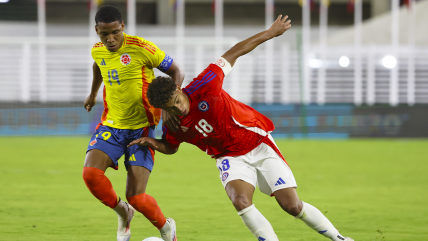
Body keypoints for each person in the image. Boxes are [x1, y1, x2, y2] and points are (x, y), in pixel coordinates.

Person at [128, 15, 354, 241]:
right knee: (241, 201)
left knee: (292, 206)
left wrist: (270, 32)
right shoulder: (173, 124)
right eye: (171, 109)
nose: (179, 109)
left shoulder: (206, 84)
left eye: (177, 101)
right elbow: (171, 146)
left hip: (258, 143)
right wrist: (155, 143)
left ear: (178, 89)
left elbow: (234, 52)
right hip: (228, 156)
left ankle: (340, 238)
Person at [82, 5, 183, 241]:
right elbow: (98, 66)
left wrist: (170, 104)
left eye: (115, 32)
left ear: (122, 27)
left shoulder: (142, 48)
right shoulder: (97, 50)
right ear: (97, 30)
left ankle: (166, 227)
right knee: (90, 174)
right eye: (104, 34)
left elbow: (177, 70)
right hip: (111, 125)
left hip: (141, 127)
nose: (110, 39)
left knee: (137, 196)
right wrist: (93, 93)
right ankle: (123, 212)